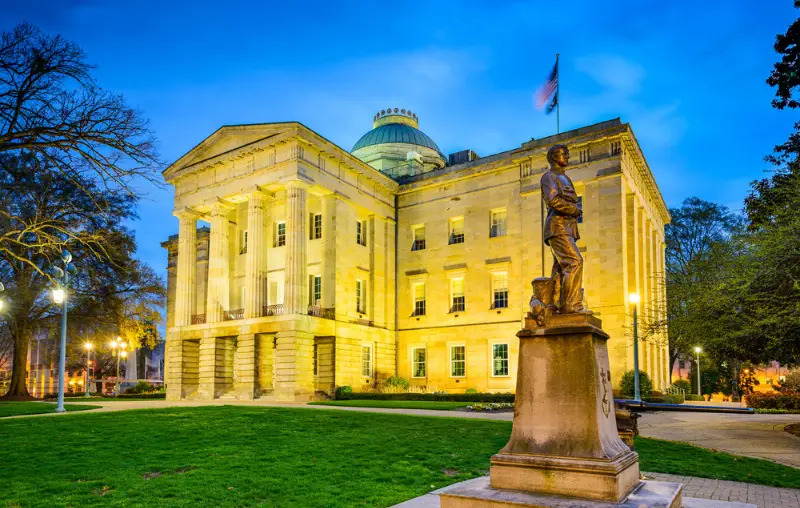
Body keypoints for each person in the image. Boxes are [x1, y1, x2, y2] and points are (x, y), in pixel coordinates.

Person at [541, 144, 584, 313]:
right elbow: (553, 200)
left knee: (560, 269)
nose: (567, 157)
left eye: (568, 154)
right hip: (557, 226)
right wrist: (574, 210)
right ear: (553, 157)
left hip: (567, 228)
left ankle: (556, 305)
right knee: (575, 261)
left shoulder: (565, 177)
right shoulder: (549, 176)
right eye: (563, 154)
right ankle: (571, 306)